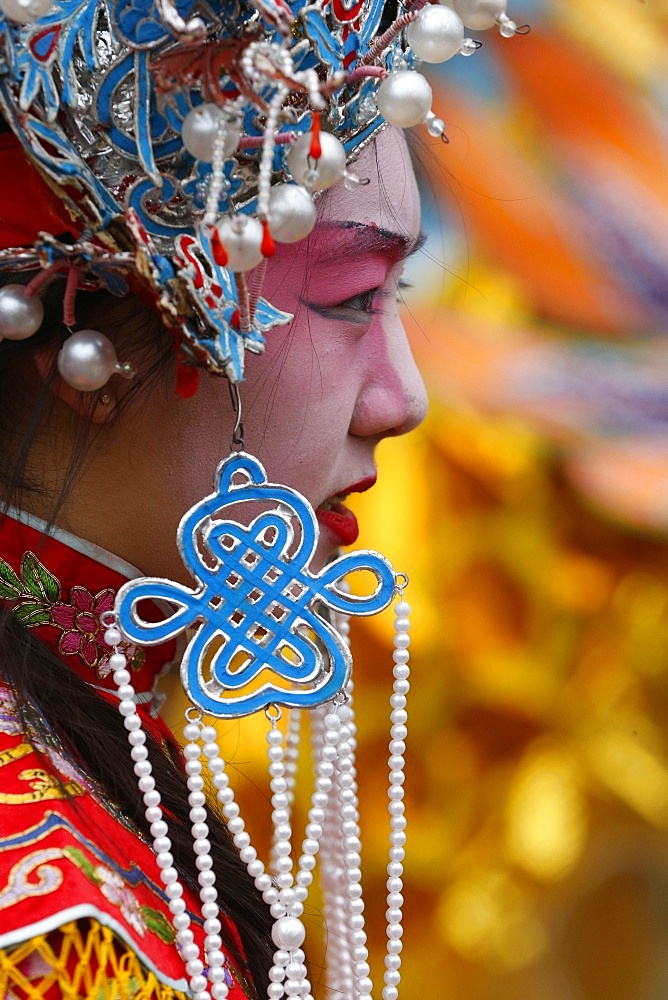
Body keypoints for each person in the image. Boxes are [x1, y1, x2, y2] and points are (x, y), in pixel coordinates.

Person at [0, 0, 522, 995]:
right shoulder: (48, 930)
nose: (402, 398)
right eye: (348, 298)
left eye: (390, 298)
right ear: (92, 354)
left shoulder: (80, 758)